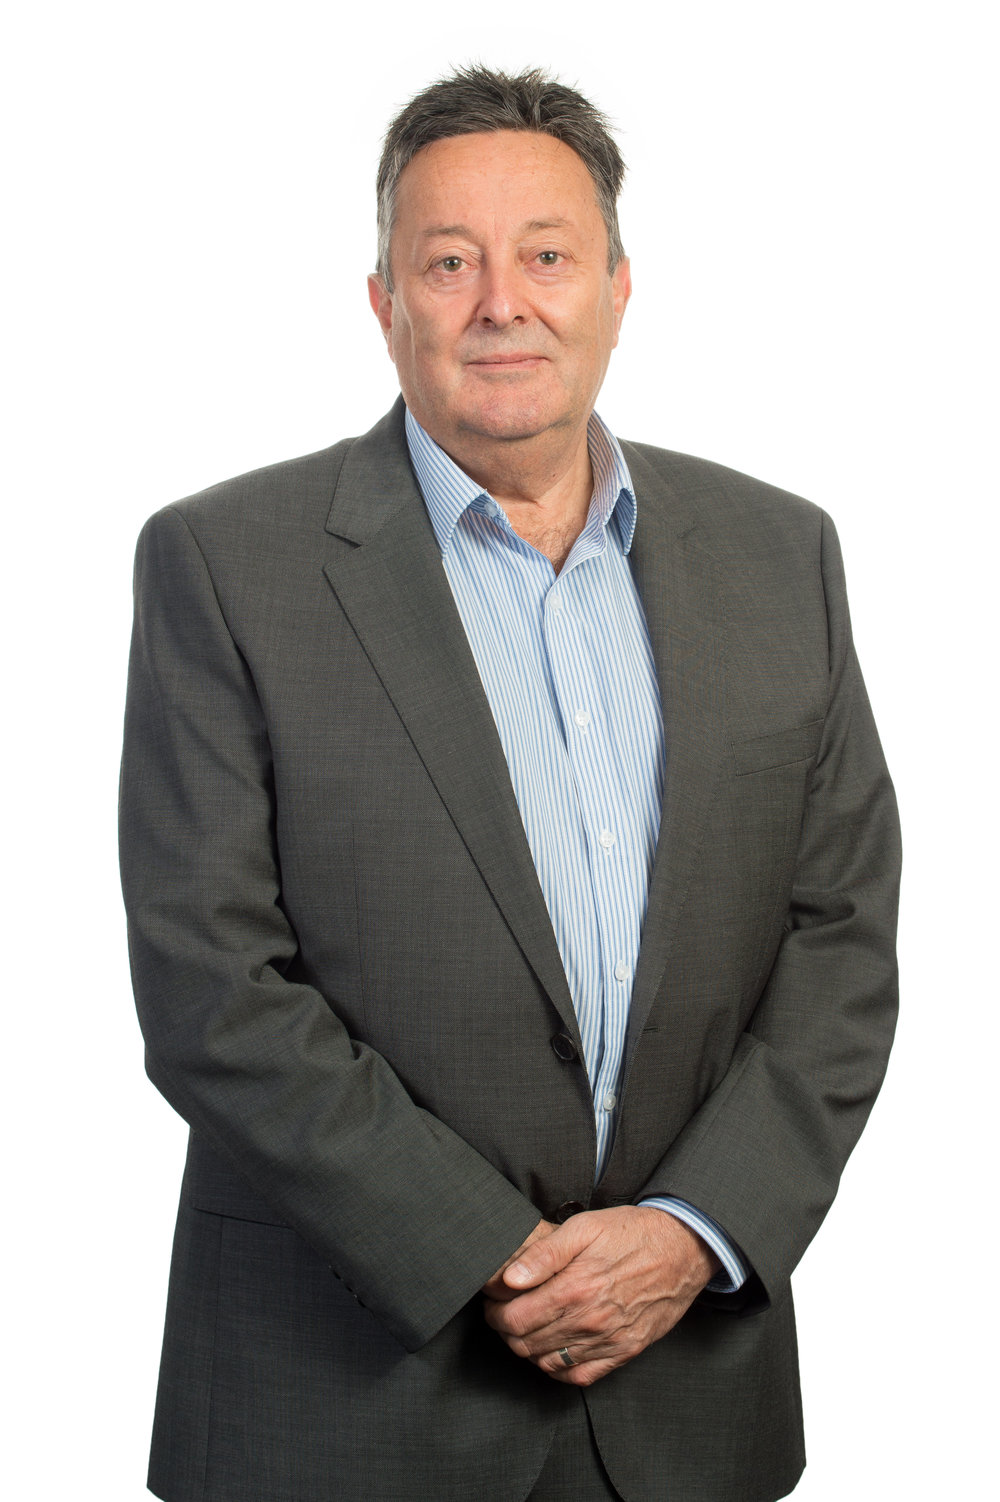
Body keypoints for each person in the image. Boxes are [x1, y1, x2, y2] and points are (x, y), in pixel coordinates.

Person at [119, 65, 900, 1502]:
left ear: (617, 287)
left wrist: (691, 1234)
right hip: (341, 1405)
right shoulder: (227, 567)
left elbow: (841, 941)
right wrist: (494, 1253)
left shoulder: (780, 555)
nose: (502, 303)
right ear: (384, 302)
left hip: (689, 1403)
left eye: (546, 255)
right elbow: (209, 983)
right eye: (449, 263)